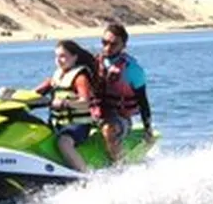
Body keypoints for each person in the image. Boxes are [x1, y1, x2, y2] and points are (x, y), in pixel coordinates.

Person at [32, 39, 98, 172]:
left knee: (64, 142)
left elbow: (85, 102)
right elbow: (34, 93)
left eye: (63, 56)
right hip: (58, 124)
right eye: (56, 56)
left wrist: (65, 103)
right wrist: (13, 96)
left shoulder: (80, 77)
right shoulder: (57, 76)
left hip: (78, 125)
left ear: (74, 57)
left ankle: (86, 175)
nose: (58, 60)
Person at [93, 22, 153, 162]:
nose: (107, 48)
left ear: (123, 46)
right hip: (94, 114)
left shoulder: (133, 69)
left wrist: (148, 128)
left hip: (119, 118)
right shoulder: (94, 63)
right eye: (104, 42)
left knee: (108, 130)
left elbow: (143, 101)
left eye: (113, 44)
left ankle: (121, 166)